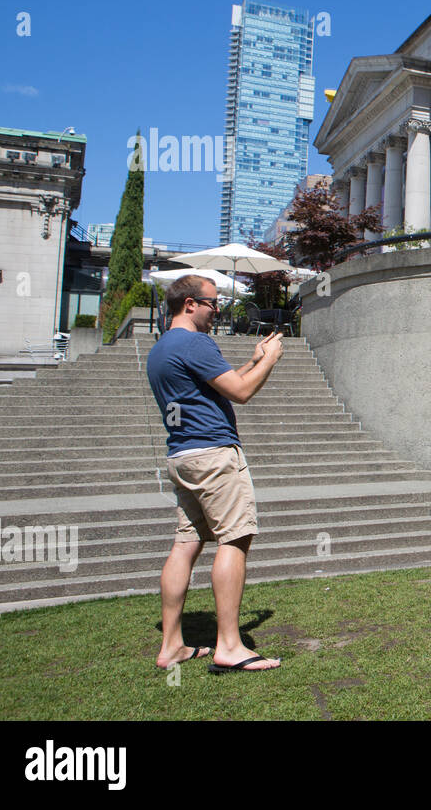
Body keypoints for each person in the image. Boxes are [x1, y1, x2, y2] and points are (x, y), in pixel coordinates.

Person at [147, 275, 285, 673]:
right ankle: (229, 645)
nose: (217, 310)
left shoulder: (162, 348)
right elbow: (240, 393)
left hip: (182, 456)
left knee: (185, 544)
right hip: (213, 455)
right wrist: (272, 359)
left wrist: (255, 360)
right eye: (212, 303)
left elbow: (218, 385)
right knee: (235, 537)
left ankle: (171, 644)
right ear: (190, 304)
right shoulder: (194, 342)